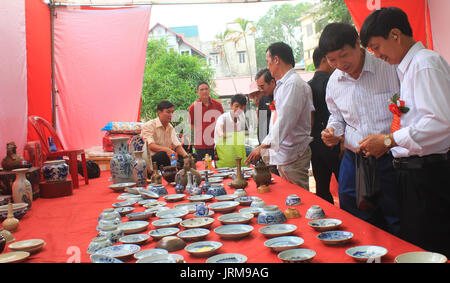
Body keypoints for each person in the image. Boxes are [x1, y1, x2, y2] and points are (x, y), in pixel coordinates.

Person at [359, 7, 450, 257]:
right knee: (416, 244)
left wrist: (389, 140)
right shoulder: (408, 68)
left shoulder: (425, 65)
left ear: (395, 35)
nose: (377, 55)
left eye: (377, 47)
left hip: (428, 174)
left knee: (430, 247)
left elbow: (441, 122)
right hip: (414, 174)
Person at [319, 23, 401, 235]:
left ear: (358, 43)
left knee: (396, 219)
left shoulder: (389, 68)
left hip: (391, 158)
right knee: (354, 221)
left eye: (344, 55)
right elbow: (337, 116)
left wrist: (388, 140)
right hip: (354, 161)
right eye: (332, 60)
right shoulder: (334, 82)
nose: (339, 64)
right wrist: (332, 131)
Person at [246, 42, 313, 190]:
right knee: (290, 195)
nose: (268, 66)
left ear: (276, 60)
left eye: (268, 62)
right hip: (285, 152)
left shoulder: (293, 84)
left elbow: (285, 121)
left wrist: (263, 145)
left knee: (298, 196)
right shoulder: (283, 85)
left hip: (294, 153)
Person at [308, 47, 340, 204]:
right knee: (346, 184)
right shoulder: (333, 81)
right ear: (323, 60)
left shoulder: (307, 86)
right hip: (333, 139)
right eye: (331, 59)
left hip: (314, 142)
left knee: (321, 188)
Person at [141, 100, 188, 169]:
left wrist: (187, 156)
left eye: (172, 112)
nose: (171, 115)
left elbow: (177, 146)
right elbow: (150, 145)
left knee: (188, 157)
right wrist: (167, 150)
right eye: (168, 112)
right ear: (159, 112)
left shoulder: (170, 127)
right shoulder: (149, 125)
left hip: (167, 156)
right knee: (162, 154)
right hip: (152, 160)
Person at [188, 81, 224, 162]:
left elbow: (222, 122)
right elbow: (192, 124)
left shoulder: (218, 105)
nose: (204, 91)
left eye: (206, 89)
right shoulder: (193, 107)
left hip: (216, 143)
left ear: (209, 90)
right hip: (201, 145)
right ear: (197, 92)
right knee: (203, 167)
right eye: (201, 89)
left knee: (217, 166)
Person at [214, 94, 247, 168]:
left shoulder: (241, 119)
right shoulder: (223, 117)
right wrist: (222, 134)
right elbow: (219, 128)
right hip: (224, 150)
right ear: (231, 105)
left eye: (241, 107)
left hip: (235, 150)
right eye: (236, 106)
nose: (238, 109)